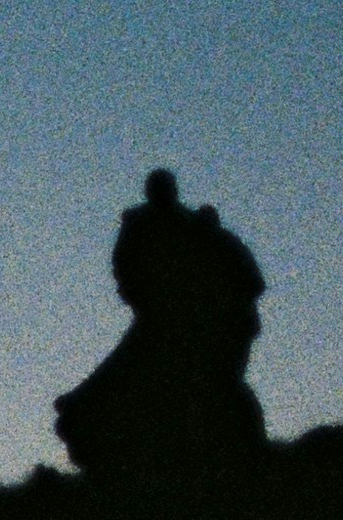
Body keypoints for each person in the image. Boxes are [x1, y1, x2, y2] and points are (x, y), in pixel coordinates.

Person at [50, 170, 270, 476]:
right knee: (161, 381)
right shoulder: (149, 228)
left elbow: (251, 283)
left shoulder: (195, 231)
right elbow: (126, 267)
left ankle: (217, 453)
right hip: (176, 320)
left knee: (205, 388)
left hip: (207, 324)